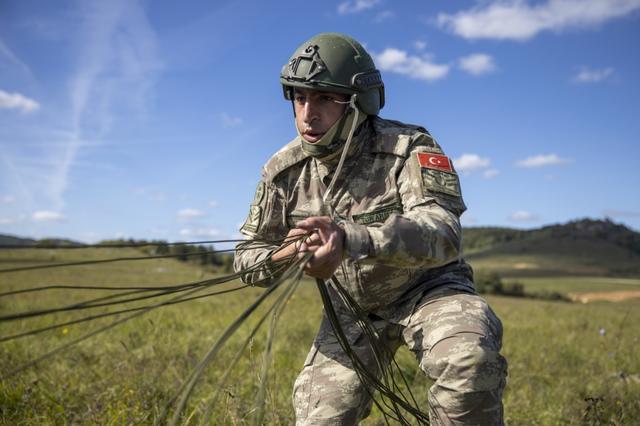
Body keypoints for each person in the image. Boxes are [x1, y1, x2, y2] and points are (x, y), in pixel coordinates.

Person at [234, 32, 507, 425]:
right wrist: (289, 254)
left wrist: (350, 239)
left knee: (468, 361)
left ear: (360, 103)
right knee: (319, 417)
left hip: (429, 292)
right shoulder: (283, 171)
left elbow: (442, 233)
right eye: (299, 97)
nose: (308, 113)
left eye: (326, 98)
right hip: (352, 309)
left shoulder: (408, 147)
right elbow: (247, 256)